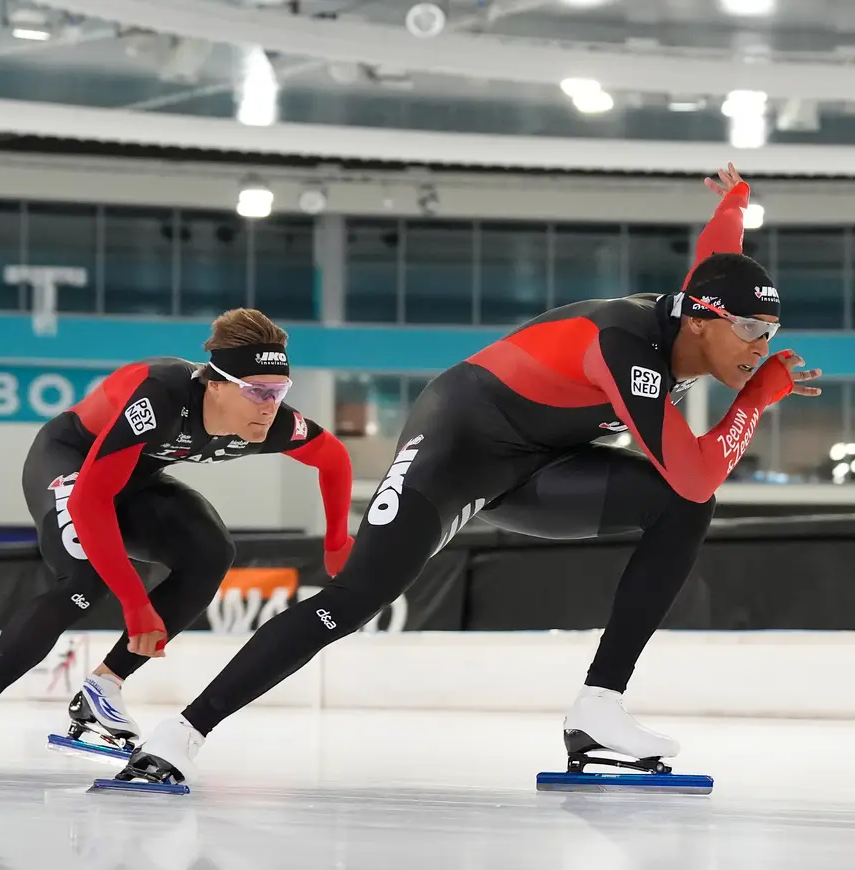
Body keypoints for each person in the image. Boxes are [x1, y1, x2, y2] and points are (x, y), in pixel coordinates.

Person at [119, 165, 821, 786]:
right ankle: (180, 735)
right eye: (753, 332)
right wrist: (755, 402)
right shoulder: (626, 343)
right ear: (701, 321)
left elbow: (717, 261)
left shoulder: (702, 313)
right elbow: (700, 470)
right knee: (352, 600)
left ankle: (598, 710)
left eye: (772, 332)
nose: (764, 347)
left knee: (679, 510)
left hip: (542, 461)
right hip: (456, 445)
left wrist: (733, 201)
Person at [0, 308, 354, 750]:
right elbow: (89, 499)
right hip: (72, 461)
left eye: (279, 390)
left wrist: (337, 539)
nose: (270, 405)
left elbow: (332, 457)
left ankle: (102, 689)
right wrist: (134, 601)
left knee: (211, 554)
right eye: (257, 391)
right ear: (216, 385)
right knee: (84, 584)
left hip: (134, 479)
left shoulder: (272, 423)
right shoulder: (160, 396)